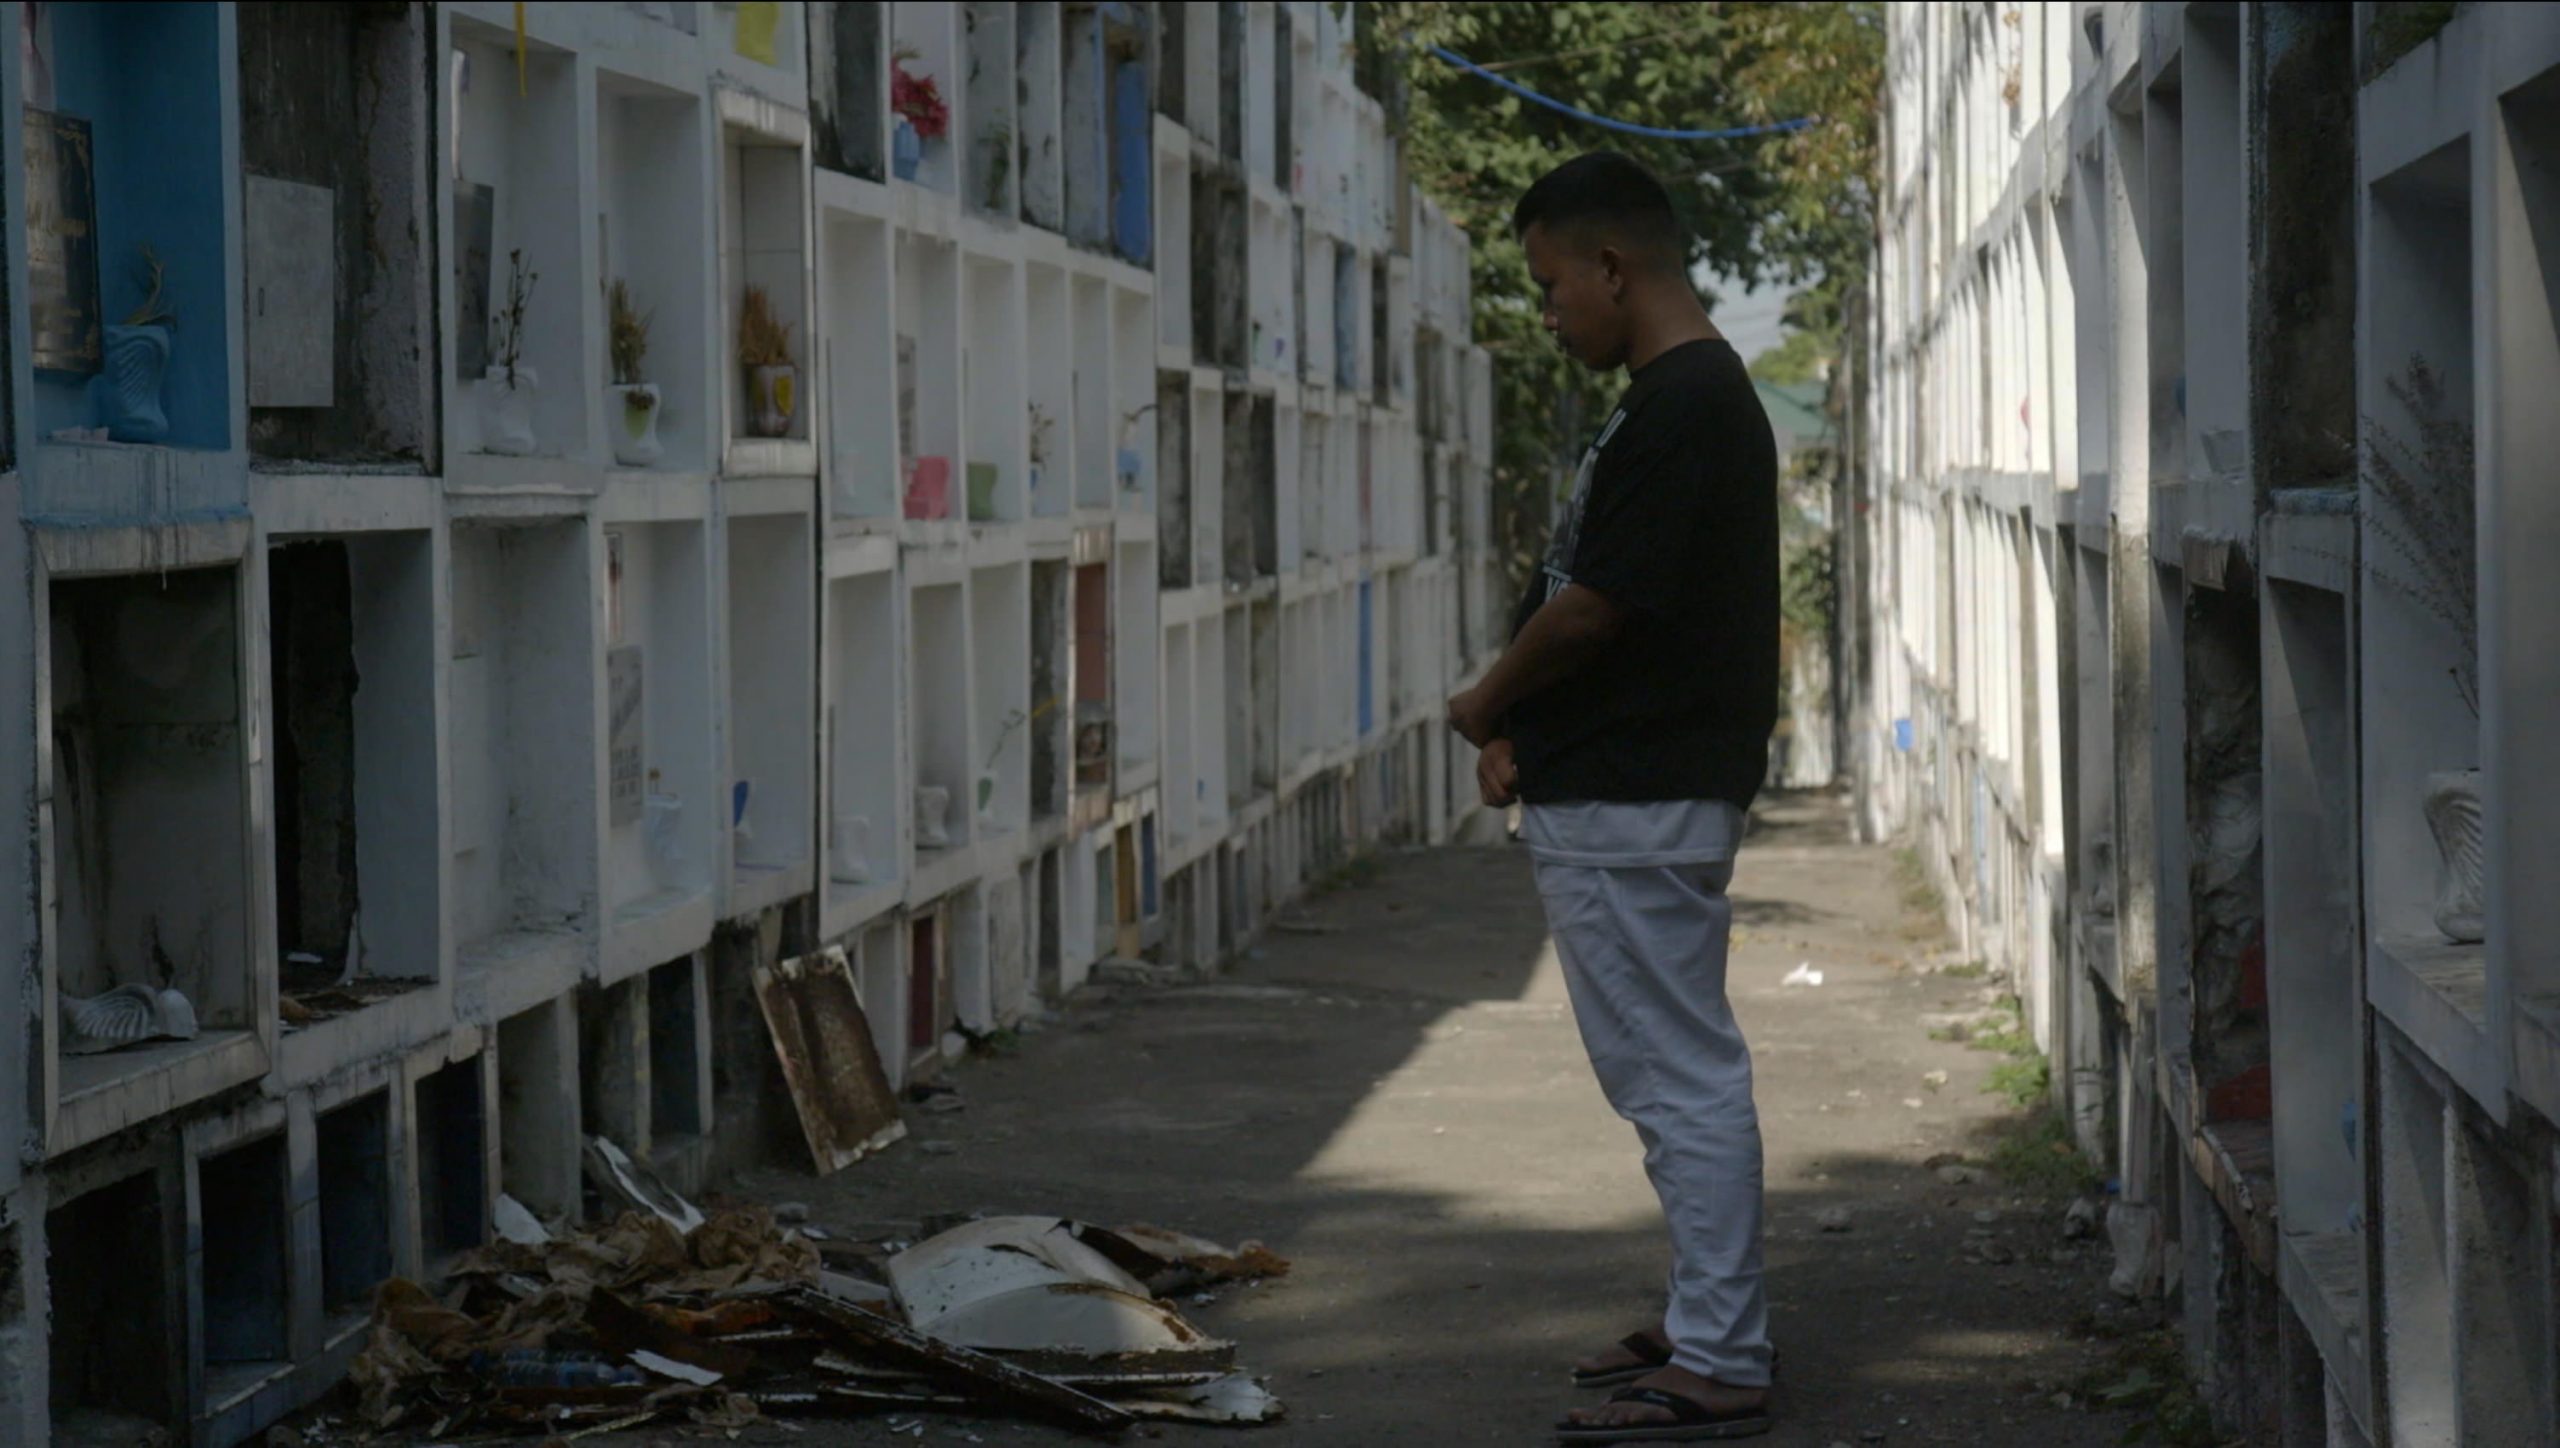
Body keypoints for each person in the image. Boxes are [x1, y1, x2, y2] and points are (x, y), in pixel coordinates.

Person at [1446, 150, 1780, 1443]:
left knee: (1678, 1075)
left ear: (1610, 267)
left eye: (1547, 287)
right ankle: (1706, 1315)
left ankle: (1724, 1354)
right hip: (1623, 786)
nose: (1547, 312)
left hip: (1644, 797)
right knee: (1661, 1071)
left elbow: (1596, 608)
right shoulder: (1671, 401)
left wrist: (1488, 700)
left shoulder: (1691, 404)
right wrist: (1530, 731)